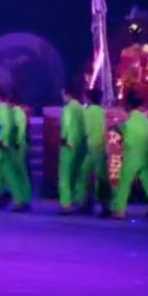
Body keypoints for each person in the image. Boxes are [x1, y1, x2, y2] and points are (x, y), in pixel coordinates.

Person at [110, 91, 148, 219]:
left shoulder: (129, 121)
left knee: (124, 184)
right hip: (145, 156)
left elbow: (121, 131)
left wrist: (115, 126)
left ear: (128, 105)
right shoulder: (145, 120)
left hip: (131, 157)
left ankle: (119, 210)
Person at [74, 88, 108, 214]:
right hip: (101, 147)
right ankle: (103, 204)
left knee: (84, 175)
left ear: (89, 99)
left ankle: (85, 202)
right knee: (101, 177)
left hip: (92, 147)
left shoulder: (87, 112)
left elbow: (83, 129)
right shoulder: (102, 112)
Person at [58, 84, 87, 214]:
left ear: (67, 94)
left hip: (68, 145)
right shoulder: (82, 108)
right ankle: (78, 199)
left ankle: (66, 203)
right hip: (80, 145)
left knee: (65, 175)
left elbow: (67, 125)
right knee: (78, 173)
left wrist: (65, 139)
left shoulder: (67, 109)